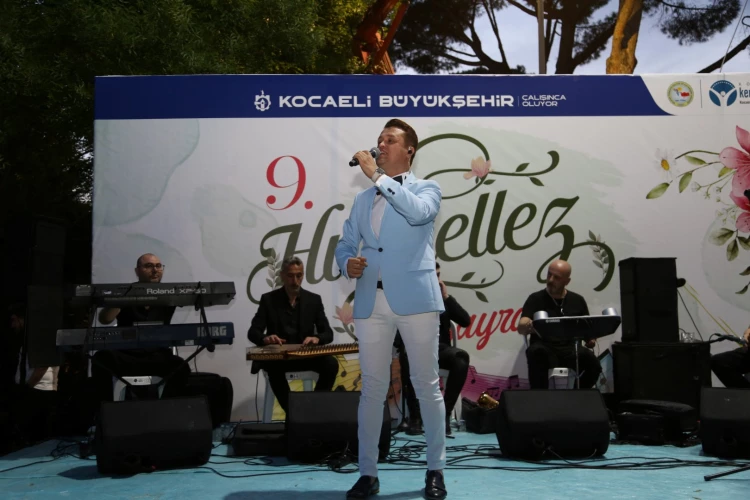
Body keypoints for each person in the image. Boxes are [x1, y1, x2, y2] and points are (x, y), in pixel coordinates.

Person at [335, 119, 447, 500]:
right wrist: (347, 262)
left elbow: (417, 213)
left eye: (390, 140)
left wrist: (377, 177)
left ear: (409, 149)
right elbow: (345, 243)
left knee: (426, 385)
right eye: (379, 139)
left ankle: (435, 469)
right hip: (372, 300)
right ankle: (368, 473)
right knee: (372, 388)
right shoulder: (362, 200)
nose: (380, 145)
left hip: (416, 299)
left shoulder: (427, 188)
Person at [92, 253, 190, 402]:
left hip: (158, 356)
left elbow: (196, 296)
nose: (155, 270)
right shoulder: (125, 292)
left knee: (180, 367)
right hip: (126, 356)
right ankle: (106, 410)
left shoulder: (169, 293)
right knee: (101, 359)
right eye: (149, 266)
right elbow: (105, 319)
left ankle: (165, 409)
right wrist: (122, 299)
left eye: (158, 266)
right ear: (137, 271)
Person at [247, 256, 338, 414]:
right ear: (282, 275)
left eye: (299, 275)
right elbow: (253, 332)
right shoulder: (269, 300)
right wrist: (265, 339)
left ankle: (314, 410)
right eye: (290, 276)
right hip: (280, 359)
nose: (295, 281)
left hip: (306, 356)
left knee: (331, 364)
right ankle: (294, 413)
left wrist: (317, 338)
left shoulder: (313, 300)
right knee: (273, 367)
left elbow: (328, 333)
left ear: (303, 275)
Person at [397, 262, 471, 436]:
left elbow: (465, 321)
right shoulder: (407, 299)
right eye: (432, 275)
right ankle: (415, 417)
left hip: (440, 349)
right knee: (407, 356)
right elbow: (397, 334)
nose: (436, 280)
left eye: (438, 275)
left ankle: (443, 414)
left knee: (461, 357)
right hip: (415, 348)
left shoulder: (442, 299)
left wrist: (446, 297)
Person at [517, 259, 602, 390]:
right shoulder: (535, 298)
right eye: (549, 274)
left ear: (567, 281)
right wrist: (527, 325)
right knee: (535, 352)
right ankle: (539, 397)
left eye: (556, 277)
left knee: (594, 364)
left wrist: (590, 340)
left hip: (571, 350)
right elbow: (521, 326)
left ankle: (577, 394)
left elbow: (587, 329)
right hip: (544, 348)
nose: (550, 280)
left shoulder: (577, 300)